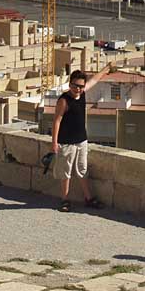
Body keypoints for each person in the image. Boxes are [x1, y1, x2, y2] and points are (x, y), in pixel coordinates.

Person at [51, 66, 110, 212]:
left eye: (81, 86)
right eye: (75, 85)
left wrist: (105, 70)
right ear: (70, 84)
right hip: (66, 142)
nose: (78, 89)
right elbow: (56, 121)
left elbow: (94, 80)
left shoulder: (82, 94)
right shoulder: (64, 100)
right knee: (66, 172)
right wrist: (54, 142)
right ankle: (65, 200)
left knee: (82, 170)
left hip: (81, 140)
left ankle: (88, 198)